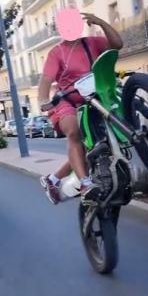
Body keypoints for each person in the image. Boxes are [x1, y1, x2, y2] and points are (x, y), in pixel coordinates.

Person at [38, 12, 123, 205]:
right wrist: (43, 99)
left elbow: (117, 44)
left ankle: (52, 179)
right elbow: (46, 79)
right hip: (67, 100)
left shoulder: (92, 43)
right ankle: (85, 183)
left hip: (94, 97)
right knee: (75, 133)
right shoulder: (56, 53)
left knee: (92, 146)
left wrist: (101, 21)